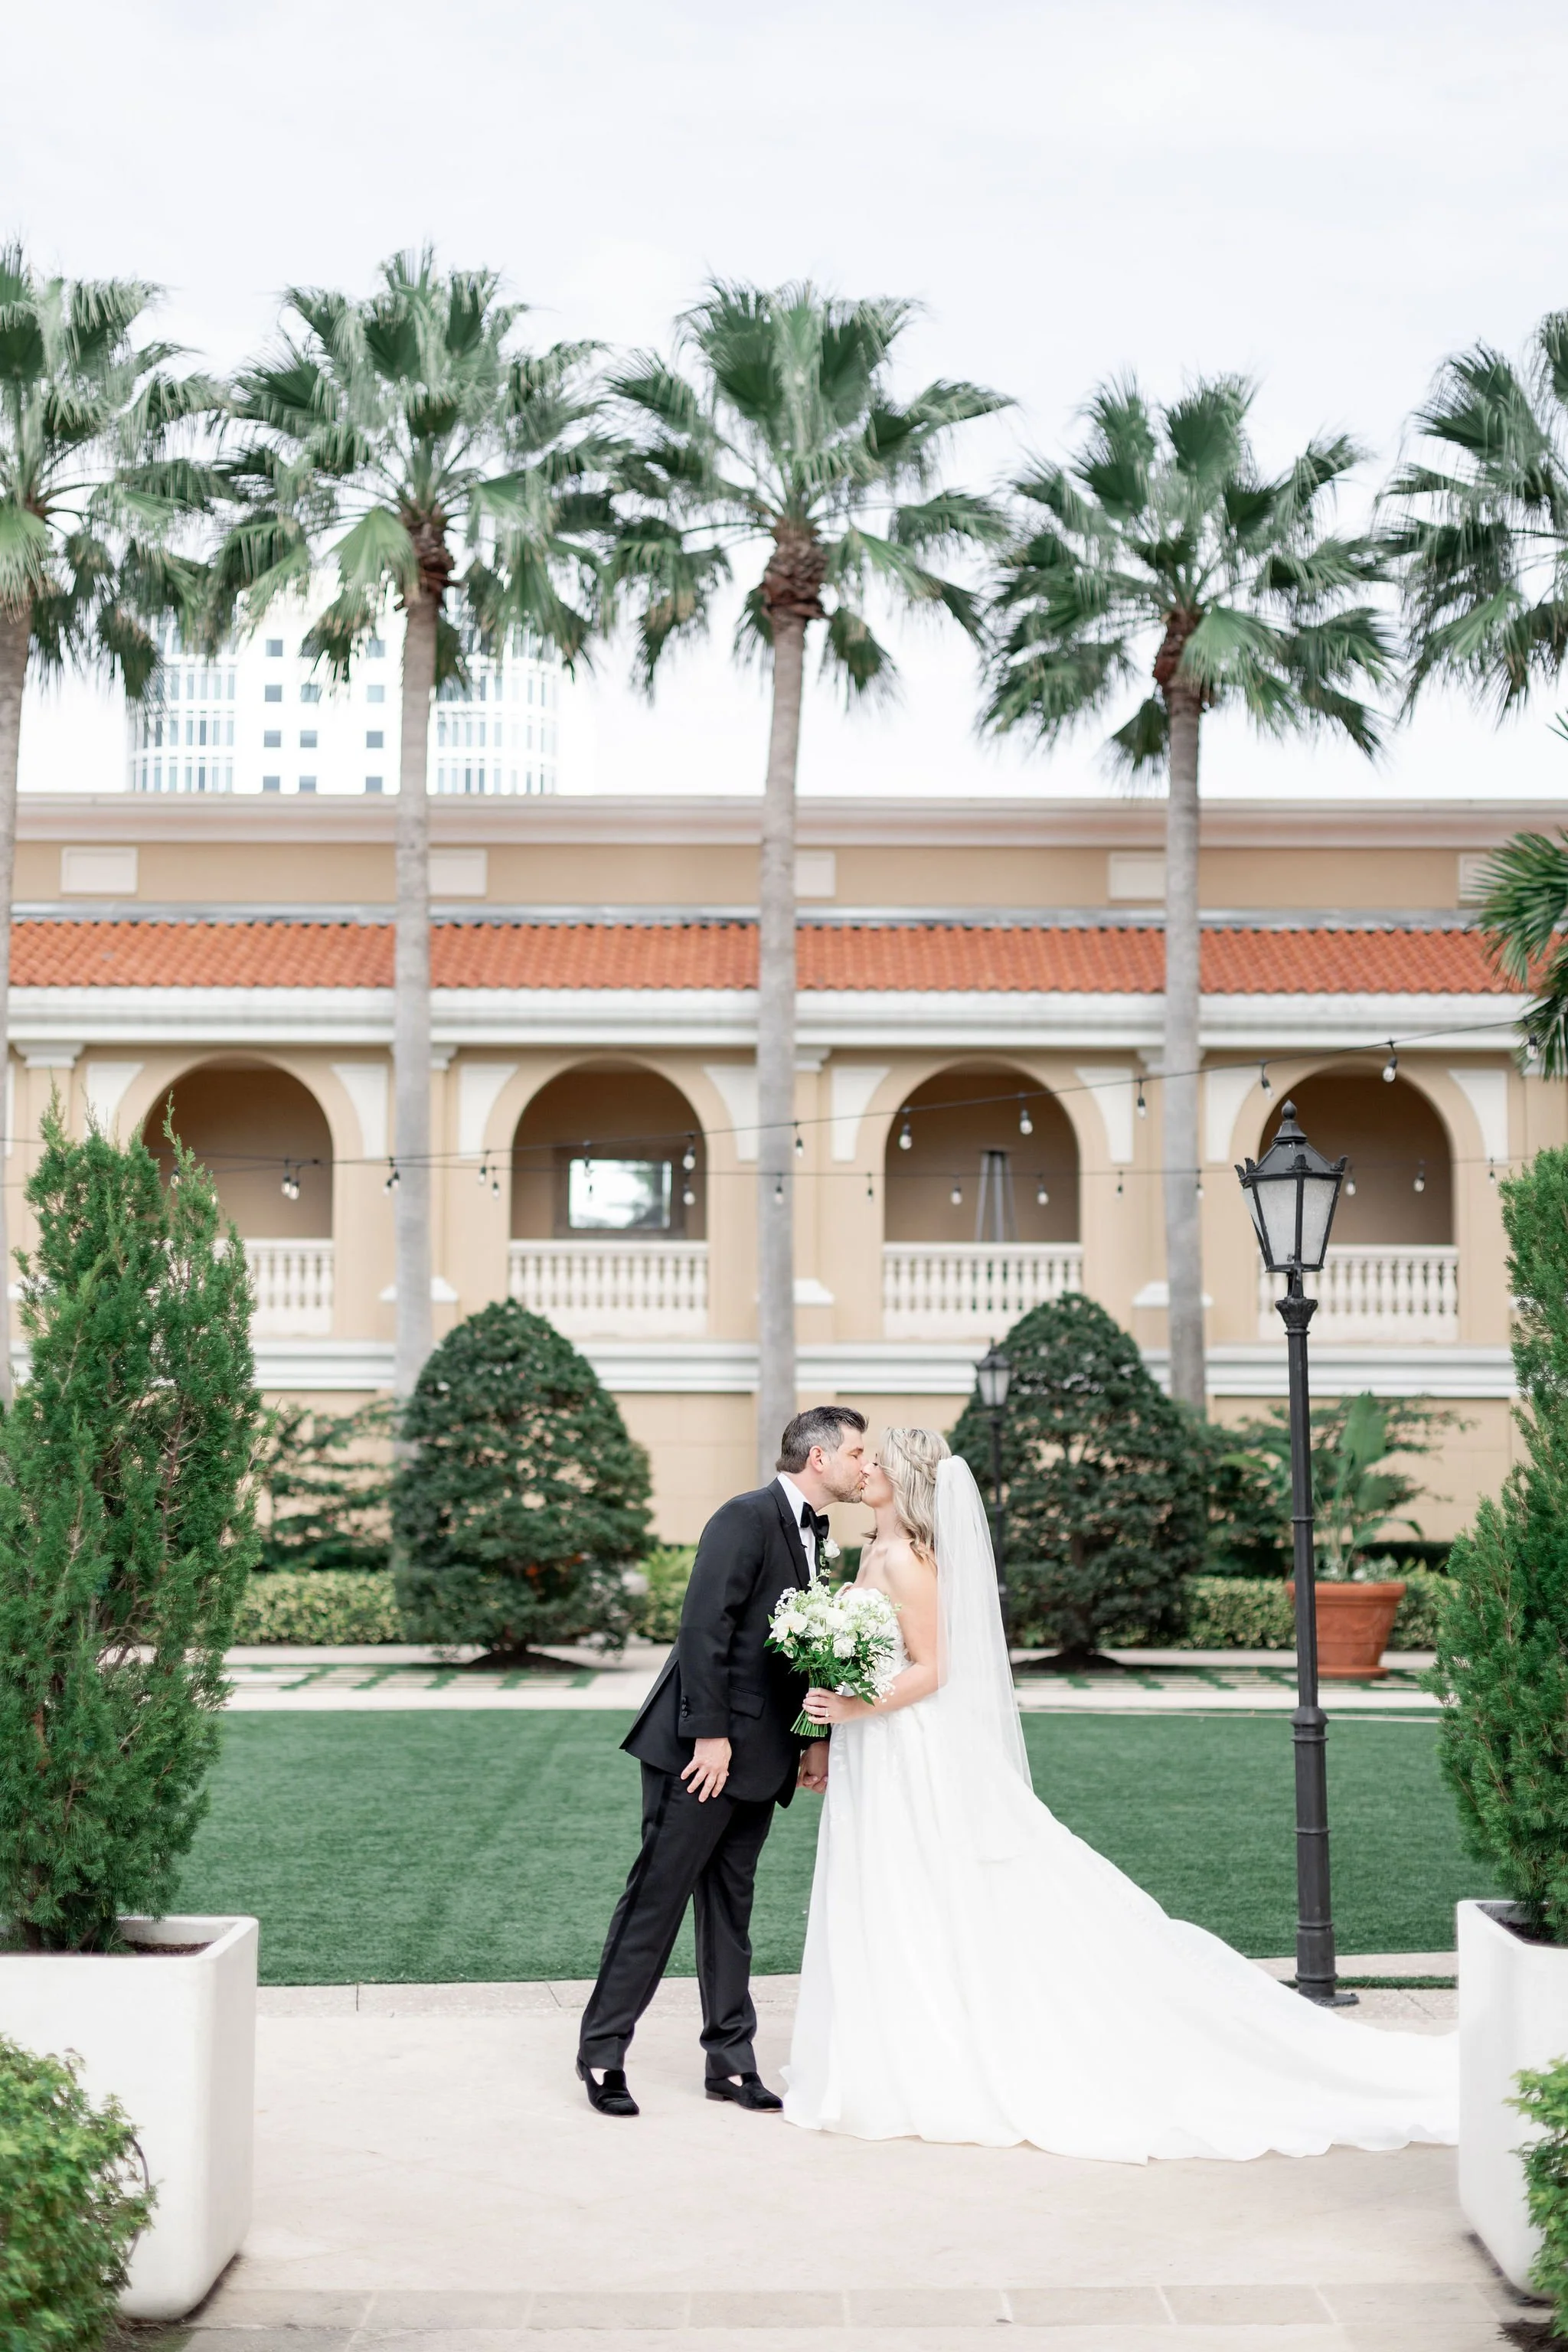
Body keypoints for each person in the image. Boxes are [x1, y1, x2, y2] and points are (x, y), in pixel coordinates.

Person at [782, 1426, 1458, 2162]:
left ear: (906, 1480)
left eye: (876, 1461)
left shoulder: (911, 1562)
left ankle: (938, 2055)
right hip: (875, 1753)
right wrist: (832, 1720)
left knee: (927, 1890)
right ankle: (890, 2049)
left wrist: (857, 1709)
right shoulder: (870, 1551)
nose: (865, 1468)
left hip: (909, 1749)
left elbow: (938, 1668)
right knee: (888, 1892)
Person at [574, 1406, 865, 2118]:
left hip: (761, 1757)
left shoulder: (815, 1535)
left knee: (731, 1911)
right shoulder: (744, 1516)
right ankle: (603, 2055)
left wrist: (811, 1736)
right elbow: (704, 1627)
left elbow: (799, 1651)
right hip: (699, 1754)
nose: (867, 1464)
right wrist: (708, 1734)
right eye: (858, 1451)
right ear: (820, 1458)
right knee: (656, 1901)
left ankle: (730, 2063)